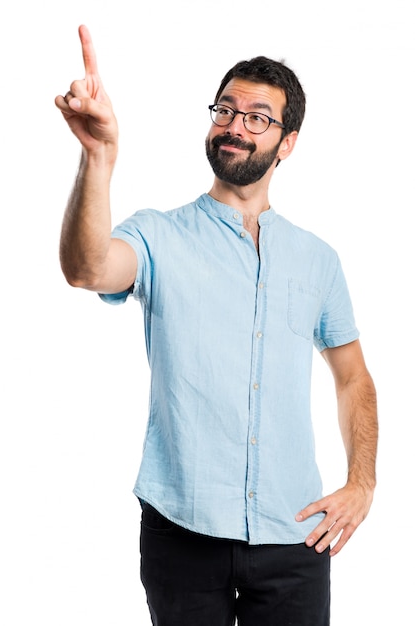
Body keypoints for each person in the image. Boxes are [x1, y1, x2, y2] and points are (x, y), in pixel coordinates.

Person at [55, 24, 378, 626]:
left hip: (295, 534)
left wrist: (361, 482)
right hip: (182, 532)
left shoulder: (318, 260)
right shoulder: (157, 234)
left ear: (288, 143)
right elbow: (87, 267)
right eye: (226, 109)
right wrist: (98, 157)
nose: (235, 125)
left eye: (258, 117)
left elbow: (353, 377)